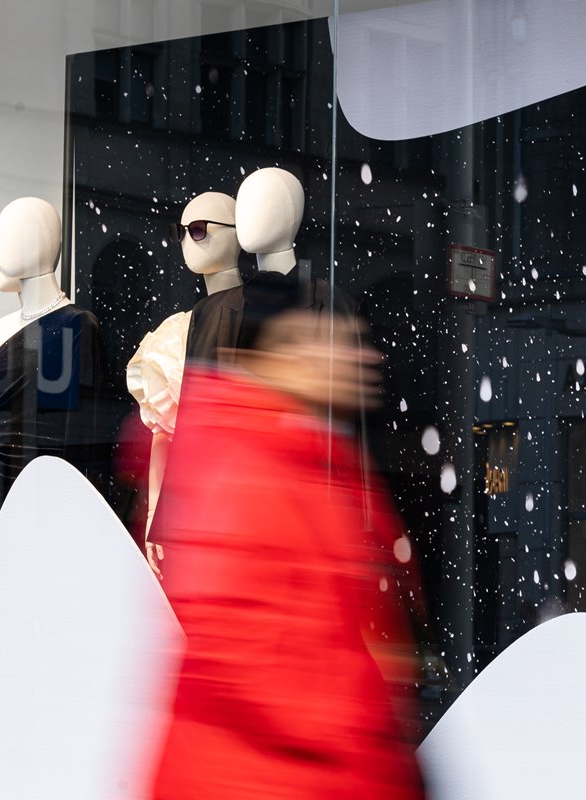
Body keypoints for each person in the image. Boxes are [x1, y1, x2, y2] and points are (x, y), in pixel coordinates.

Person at [149, 289, 425, 800]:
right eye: (336, 342)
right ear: (280, 354)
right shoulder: (252, 474)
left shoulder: (300, 462)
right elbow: (290, 686)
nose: (361, 357)